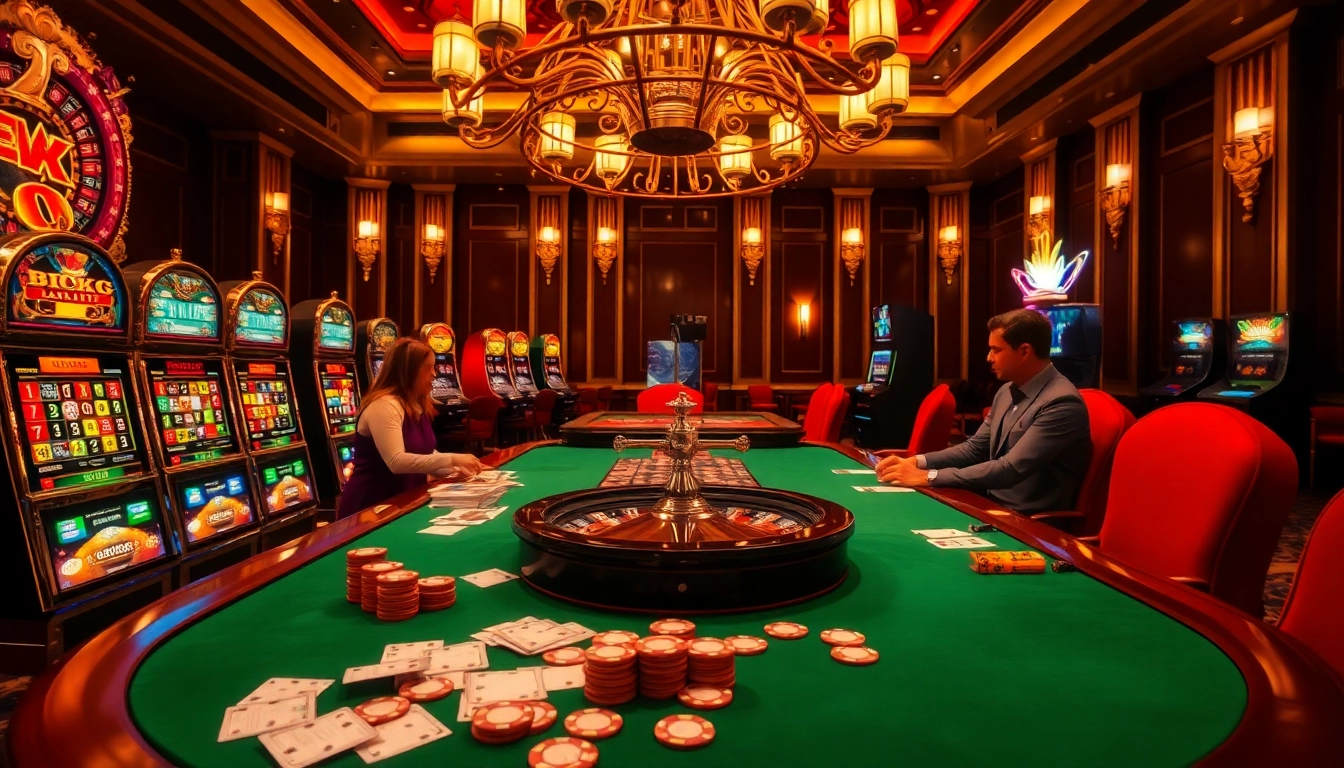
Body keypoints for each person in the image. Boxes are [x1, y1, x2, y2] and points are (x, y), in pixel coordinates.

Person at [876, 309, 1090, 514]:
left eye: (996, 350)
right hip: (988, 503)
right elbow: (974, 449)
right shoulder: (1006, 391)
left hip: (1028, 523)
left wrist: (929, 476)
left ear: (1025, 351)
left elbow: (1009, 469)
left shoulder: (1061, 403)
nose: (989, 357)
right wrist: (917, 461)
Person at [336, 338, 482, 518]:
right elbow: (396, 461)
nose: (434, 374)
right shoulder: (385, 405)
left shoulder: (415, 404)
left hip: (402, 499)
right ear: (409, 371)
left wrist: (456, 470)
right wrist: (452, 459)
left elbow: (425, 452)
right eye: (429, 367)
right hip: (371, 506)